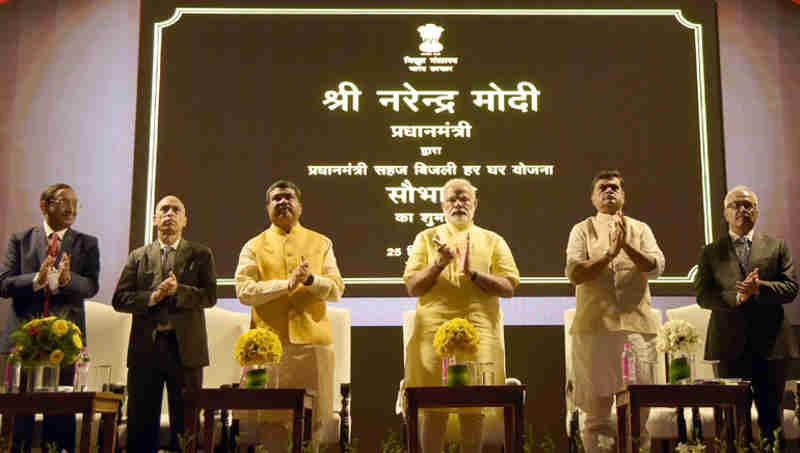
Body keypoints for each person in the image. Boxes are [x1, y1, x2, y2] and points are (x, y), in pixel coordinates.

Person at [403, 178, 520, 453]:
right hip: (433, 334)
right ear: (442, 205)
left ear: (475, 204)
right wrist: (439, 263)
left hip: (479, 333)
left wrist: (473, 274)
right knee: (434, 407)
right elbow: (413, 286)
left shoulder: (492, 240)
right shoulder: (426, 238)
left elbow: (509, 287)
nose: (458, 204)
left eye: (464, 198)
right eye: (452, 199)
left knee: (473, 408)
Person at [234, 180, 345, 452]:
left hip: (313, 346)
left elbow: (336, 289)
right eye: (276, 198)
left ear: (300, 206)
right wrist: (286, 285)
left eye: (289, 197)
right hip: (270, 348)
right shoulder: (254, 246)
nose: (283, 202)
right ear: (267, 207)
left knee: (314, 425)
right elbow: (244, 291)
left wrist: (309, 280)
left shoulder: (321, 242)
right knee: (272, 424)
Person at [565, 170, 665, 453]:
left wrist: (626, 246)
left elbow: (656, 267)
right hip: (594, 330)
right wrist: (609, 254)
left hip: (637, 330)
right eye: (603, 188)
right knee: (595, 415)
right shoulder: (582, 229)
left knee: (638, 414)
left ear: (623, 195)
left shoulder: (641, 229)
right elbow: (574, 273)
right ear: (593, 197)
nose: (609, 192)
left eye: (614, 188)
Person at [112, 195, 216, 453]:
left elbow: (209, 296)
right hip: (146, 349)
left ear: (184, 220)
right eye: (164, 209)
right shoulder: (138, 256)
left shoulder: (201, 254)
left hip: (186, 350)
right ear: (155, 219)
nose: (169, 213)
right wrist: (153, 297)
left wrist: (178, 290)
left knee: (186, 423)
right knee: (140, 424)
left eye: (176, 209)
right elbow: (119, 300)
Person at [0, 183, 99, 453]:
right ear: (44, 206)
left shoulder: (86, 244)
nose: (71, 209)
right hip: (23, 339)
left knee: (61, 420)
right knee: (19, 420)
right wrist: (36, 279)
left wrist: (68, 280)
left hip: (65, 340)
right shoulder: (20, 240)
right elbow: (4, 284)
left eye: (75, 203)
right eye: (64, 202)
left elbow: (91, 286)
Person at [696, 185, 798, 446]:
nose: (742, 210)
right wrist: (737, 297)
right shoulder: (711, 252)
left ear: (757, 211)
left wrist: (759, 288)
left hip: (772, 347)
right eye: (735, 205)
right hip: (729, 347)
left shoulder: (776, 246)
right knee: (732, 423)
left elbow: (791, 288)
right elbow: (704, 297)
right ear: (725, 214)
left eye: (748, 205)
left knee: (770, 421)